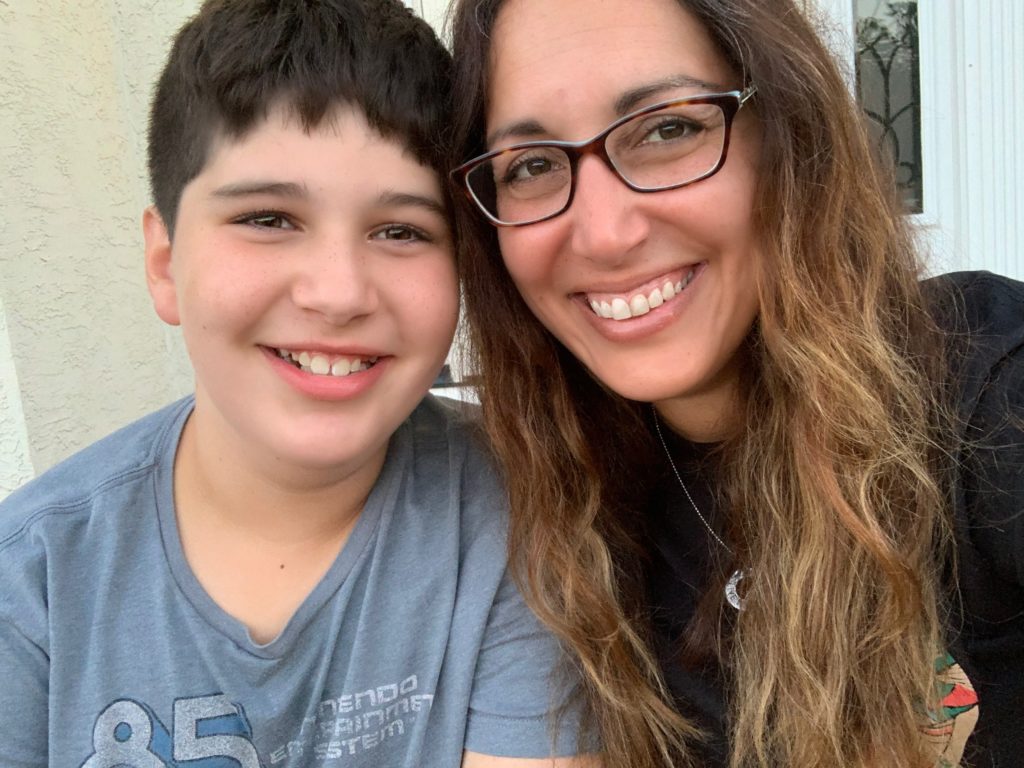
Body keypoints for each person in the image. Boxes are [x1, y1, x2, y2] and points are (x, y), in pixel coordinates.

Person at [0, 1, 590, 765]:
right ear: (164, 263)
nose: (339, 292)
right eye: (269, 219)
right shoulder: (32, 590)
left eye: (401, 230)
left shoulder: (519, 517)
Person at [447, 0, 1023, 766]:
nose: (605, 233)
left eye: (668, 128)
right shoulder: (551, 499)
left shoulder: (988, 395)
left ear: (788, 134)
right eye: (532, 166)